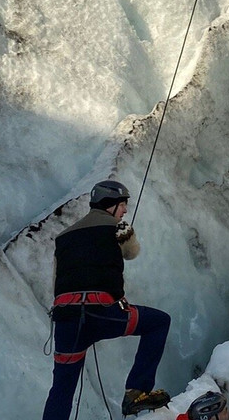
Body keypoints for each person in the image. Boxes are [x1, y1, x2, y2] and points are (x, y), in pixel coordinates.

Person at [42, 180, 172, 419]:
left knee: (62, 388)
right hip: (102, 313)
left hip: (67, 321)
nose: (125, 210)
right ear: (110, 204)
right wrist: (125, 232)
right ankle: (137, 392)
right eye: (122, 205)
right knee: (158, 322)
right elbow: (132, 253)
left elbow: (56, 284)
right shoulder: (118, 227)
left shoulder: (63, 238)